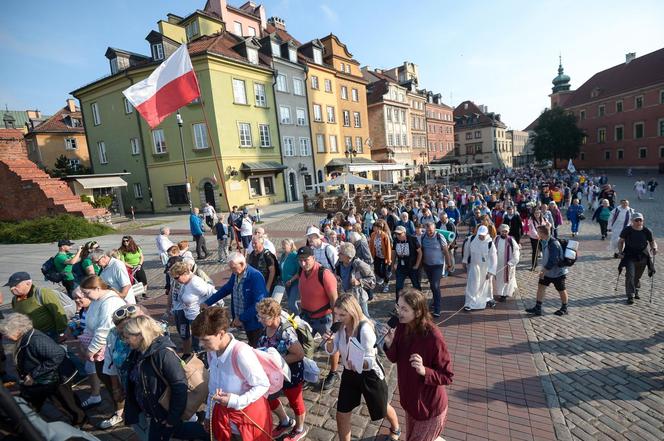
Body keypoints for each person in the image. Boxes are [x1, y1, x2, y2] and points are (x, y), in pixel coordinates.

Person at [322, 294, 401, 441]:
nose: (337, 318)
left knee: (381, 408)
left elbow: (371, 361)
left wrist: (358, 364)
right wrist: (329, 341)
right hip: (349, 373)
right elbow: (332, 351)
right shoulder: (340, 326)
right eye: (336, 314)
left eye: (342, 315)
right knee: (342, 413)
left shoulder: (364, 329)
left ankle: (396, 428)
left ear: (352, 312)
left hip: (369, 375)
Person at [191, 307, 271, 441]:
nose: (200, 344)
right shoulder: (212, 352)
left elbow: (263, 384)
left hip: (246, 421)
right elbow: (213, 387)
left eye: (205, 340)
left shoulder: (241, 353)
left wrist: (236, 401)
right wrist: (208, 415)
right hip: (225, 420)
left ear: (221, 334)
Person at [383, 289, 453, 441]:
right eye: (398, 307)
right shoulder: (402, 326)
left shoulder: (433, 336)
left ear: (418, 311)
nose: (399, 313)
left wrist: (424, 371)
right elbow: (395, 358)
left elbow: (447, 376)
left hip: (429, 408)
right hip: (411, 403)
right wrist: (389, 344)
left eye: (404, 309)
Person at [123, 315, 207, 441]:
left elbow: (179, 387)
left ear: (140, 335)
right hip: (155, 412)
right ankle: (208, 433)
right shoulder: (138, 352)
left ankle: (210, 433)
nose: (125, 341)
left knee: (176, 431)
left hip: (164, 413)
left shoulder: (163, 354)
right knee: (179, 431)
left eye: (127, 337)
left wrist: (172, 419)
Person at [0, 313, 86, 427]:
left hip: (56, 378)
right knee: (45, 402)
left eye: (6, 333)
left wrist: (33, 374)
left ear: (18, 330)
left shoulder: (36, 340)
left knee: (66, 403)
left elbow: (58, 355)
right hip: (43, 379)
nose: (5, 337)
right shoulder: (25, 337)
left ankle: (80, 421)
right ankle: (27, 422)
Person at [78, 276, 127, 429]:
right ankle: (121, 409)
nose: (85, 297)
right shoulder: (97, 300)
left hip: (111, 350)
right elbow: (90, 324)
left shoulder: (110, 302)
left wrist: (89, 351)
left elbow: (103, 330)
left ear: (98, 289)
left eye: (87, 293)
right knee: (106, 380)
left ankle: (121, 413)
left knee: (115, 383)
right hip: (102, 350)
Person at [256, 299, 308, 441]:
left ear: (274, 316)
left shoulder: (286, 332)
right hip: (274, 373)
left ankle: (300, 428)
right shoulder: (266, 327)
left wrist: (275, 360)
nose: (259, 320)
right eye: (259, 316)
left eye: (263, 317)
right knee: (270, 397)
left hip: (291, 373)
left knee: (295, 401)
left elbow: (299, 354)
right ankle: (285, 421)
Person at [289, 246, 340, 390]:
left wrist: (335, 324)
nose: (303, 264)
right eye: (300, 261)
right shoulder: (302, 271)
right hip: (307, 317)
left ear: (314, 258)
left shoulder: (324, 274)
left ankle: (334, 372)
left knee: (331, 346)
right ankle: (308, 372)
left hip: (325, 318)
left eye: (306, 260)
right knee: (303, 345)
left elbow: (334, 300)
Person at [201, 252, 267, 348]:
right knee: (251, 342)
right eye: (230, 268)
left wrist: (241, 318)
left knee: (255, 346)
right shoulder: (236, 274)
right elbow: (226, 289)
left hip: (254, 321)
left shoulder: (255, 276)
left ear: (242, 264)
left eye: (233, 267)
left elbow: (259, 303)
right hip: (241, 318)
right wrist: (208, 302)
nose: (231, 270)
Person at [6, 272, 68, 341]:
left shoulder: (43, 293)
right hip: (31, 336)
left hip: (50, 334)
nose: (12, 289)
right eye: (10, 286)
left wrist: (61, 332)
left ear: (28, 283)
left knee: (56, 351)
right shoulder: (15, 299)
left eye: (15, 285)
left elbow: (58, 313)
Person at [170, 261, 217, 351]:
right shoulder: (186, 282)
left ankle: (204, 360)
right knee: (196, 342)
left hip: (197, 317)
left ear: (184, 274)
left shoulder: (195, 283)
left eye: (176, 278)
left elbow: (212, 293)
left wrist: (208, 309)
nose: (176, 280)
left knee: (201, 343)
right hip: (190, 316)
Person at [525, 225, 569, 317]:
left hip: (557, 273)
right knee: (541, 286)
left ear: (542, 233)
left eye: (538, 232)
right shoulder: (544, 241)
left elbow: (553, 260)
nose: (537, 234)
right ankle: (538, 307)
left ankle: (564, 308)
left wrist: (544, 270)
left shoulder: (553, 244)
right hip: (547, 272)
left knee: (561, 289)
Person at [618, 213, 658, 304]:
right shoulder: (627, 230)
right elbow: (620, 241)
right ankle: (630, 295)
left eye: (640, 220)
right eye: (636, 220)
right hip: (629, 255)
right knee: (630, 275)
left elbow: (652, 241)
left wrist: (654, 248)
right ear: (632, 221)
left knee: (637, 275)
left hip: (643, 256)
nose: (639, 222)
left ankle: (636, 288)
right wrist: (620, 252)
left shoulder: (647, 230)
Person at [461, 225, 497, 311]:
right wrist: (465, 261)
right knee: (472, 284)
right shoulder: (472, 239)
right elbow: (467, 250)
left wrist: (491, 271)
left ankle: (485, 299)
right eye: (480, 235)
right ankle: (469, 303)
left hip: (485, 267)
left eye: (483, 235)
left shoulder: (490, 243)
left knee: (486, 285)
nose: (481, 237)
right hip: (474, 266)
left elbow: (494, 258)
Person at [420, 222, 452, 318]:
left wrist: (449, 263)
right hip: (427, 265)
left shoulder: (439, 236)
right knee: (432, 285)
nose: (429, 232)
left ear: (434, 229)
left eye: (431, 230)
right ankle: (435, 301)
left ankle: (437, 308)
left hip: (438, 265)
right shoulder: (423, 237)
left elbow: (446, 251)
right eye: (427, 230)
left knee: (435, 284)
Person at [336, 242, 376, 317]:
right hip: (346, 298)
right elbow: (337, 274)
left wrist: (359, 282)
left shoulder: (359, 265)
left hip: (359, 299)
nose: (338, 255)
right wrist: (336, 277)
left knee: (365, 319)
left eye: (341, 253)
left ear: (348, 256)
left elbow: (373, 281)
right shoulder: (339, 263)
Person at [392, 225, 422, 301]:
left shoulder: (412, 239)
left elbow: (420, 253)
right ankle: (398, 304)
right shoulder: (396, 240)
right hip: (401, 267)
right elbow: (394, 253)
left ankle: (420, 302)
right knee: (398, 286)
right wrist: (392, 264)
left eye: (399, 234)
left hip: (412, 266)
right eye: (396, 234)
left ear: (404, 233)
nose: (397, 236)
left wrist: (417, 265)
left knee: (416, 286)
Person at [494, 224, 521, 302]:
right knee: (499, 279)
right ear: (500, 231)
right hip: (498, 264)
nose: (504, 233)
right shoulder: (496, 239)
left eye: (505, 231)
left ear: (508, 232)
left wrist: (512, 262)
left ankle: (504, 295)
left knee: (507, 279)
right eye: (502, 231)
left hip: (508, 264)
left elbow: (516, 252)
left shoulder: (511, 240)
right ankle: (501, 293)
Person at [369, 222, 392, 293]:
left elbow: (388, 248)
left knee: (385, 272)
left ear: (379, 228)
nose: (373, 228)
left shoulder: (385, 236)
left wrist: (388, 259)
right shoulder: (373, 235)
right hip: (376, 256)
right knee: (377, 270)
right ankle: (383, 277)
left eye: (374, 227)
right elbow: (371, 245)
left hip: (384, 256)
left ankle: (386, 285)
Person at [280, 239, 300, 315]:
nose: (282, 247)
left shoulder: (295, 255)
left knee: (291, 303)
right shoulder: (283, 255)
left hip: (294, 282)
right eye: (282, 244)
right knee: (291, 302)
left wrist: (291, 280)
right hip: (286, 282)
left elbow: (299, 271)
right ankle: (293, 317)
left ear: (291, 246)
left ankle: (299, 317)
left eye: (284, 244)